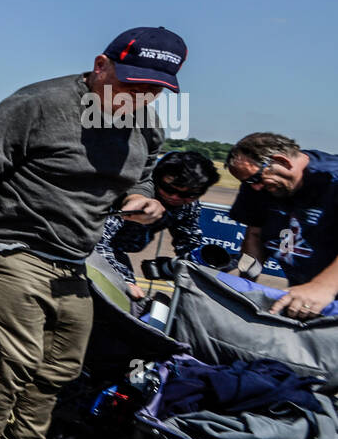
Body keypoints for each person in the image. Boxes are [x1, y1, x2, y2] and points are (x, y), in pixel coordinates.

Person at [0, 26, 184, 439]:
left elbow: (148, 169)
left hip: (74, 261)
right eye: (133, 84)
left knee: (60, 369)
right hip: (12, 249)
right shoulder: (39, 105)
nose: (141, 97)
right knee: (17, 357)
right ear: (101, 66)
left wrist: (147, 196)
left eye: (154, 89)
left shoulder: (145, 121)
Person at [226, 132, 338, 319]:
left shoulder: (332, 178)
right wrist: (246, 286)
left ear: (282, 161)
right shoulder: (258, 185)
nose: (254, 188)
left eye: (255, 179)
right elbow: (254, 235)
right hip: (305, 294)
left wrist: (323, 287)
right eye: (247, 183)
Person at [95, 150, 218, 298]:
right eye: (168, 189)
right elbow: (98, 240)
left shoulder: (188, 206)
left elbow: (189, 242)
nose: (175, 197)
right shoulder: (131, 191)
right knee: (121, 292)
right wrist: (123, 279)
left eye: (188, 194)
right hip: (86, 245)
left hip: (118, 249)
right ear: (156, 178)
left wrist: (199, 265)